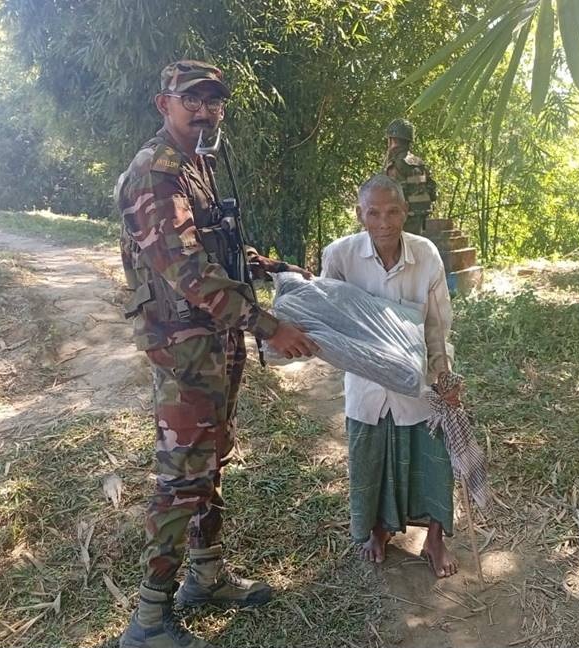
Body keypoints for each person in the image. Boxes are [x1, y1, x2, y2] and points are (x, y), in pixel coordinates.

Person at [115, 60, 318, 648]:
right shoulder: (156, 174)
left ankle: (206, 577)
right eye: (192, 100)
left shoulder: (194, 167)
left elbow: (216, 249)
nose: (205, 111)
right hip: (185, 352)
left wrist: (268, 267)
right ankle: (149, 620)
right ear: (165, 104)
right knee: (181, 477)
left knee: (209, 462)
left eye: (214, 101)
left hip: (213, 344)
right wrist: (267, 325)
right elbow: (189, 274)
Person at [321, 174, 458, 577]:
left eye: (393, 211)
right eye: (374, 213)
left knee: (433, 459)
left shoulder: (426, 254)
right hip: (366, 386)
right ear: (359, 215)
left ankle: (434, 539)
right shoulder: (340, 256)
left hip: (418, 384)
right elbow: (329, 320)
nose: (384, 222)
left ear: (406, 211)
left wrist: (443, 374)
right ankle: (378, 530)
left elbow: (436, 324)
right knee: (372, 459)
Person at [382, 118, 438, 235]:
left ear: (393, 140)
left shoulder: (396, 164)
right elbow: (432, 192)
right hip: (422, 217)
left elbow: (389, 195)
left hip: (405, 220)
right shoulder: (419, 162)